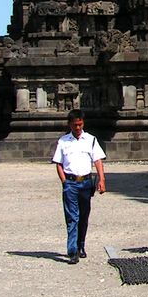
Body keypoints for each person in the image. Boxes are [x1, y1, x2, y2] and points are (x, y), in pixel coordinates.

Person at [51, 109, 106, 264]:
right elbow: (59, 163)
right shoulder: (63, 141)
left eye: (80, 124)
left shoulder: (91, 139)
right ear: (70, 124)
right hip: (70, 183)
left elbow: (98, 161)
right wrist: (64, 182)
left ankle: (81, 244)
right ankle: (73, 251)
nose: (78, 128)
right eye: (75, 125)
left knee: (83, 216)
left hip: (86, 182)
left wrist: (102, 179)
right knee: (72, 217)